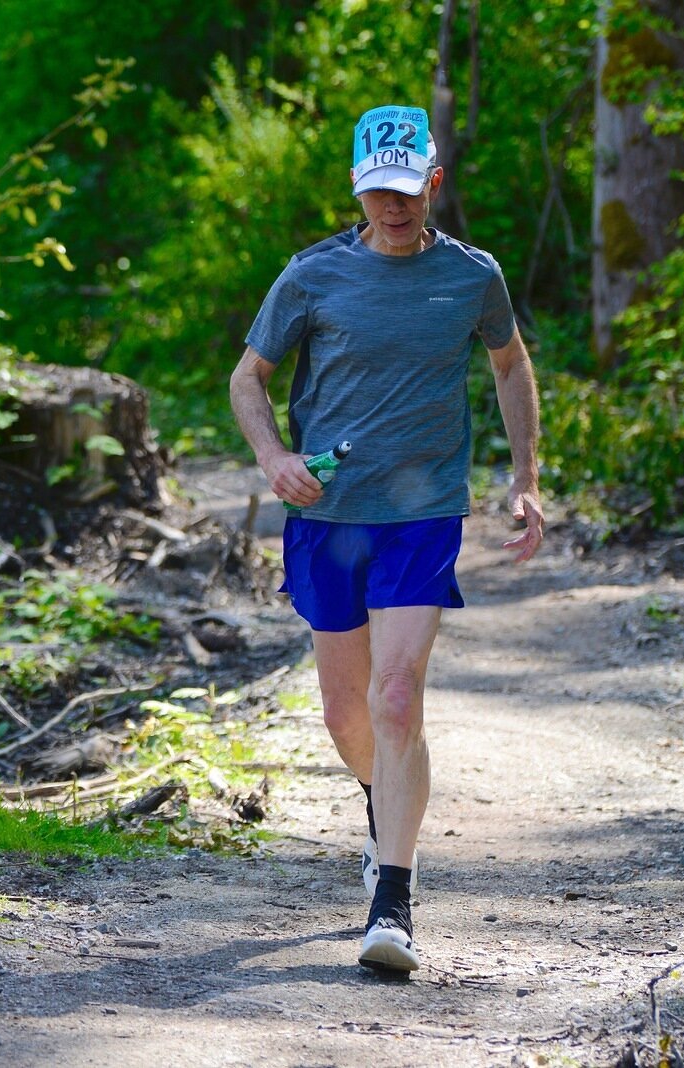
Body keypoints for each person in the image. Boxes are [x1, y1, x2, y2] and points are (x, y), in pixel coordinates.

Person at [229, 103, 544, 973]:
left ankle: (393, 905)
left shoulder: (472, 276)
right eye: (378, 191)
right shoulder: (312, 275)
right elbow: (249, 378)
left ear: (433, 182)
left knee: (397, 698)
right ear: (357, 187)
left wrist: (526, 477)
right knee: (348, 713)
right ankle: (384, 802)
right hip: (329, 517)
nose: (393, 207)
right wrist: (273, 457)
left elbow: (510, 363)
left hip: (422, 513)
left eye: (407, 189)